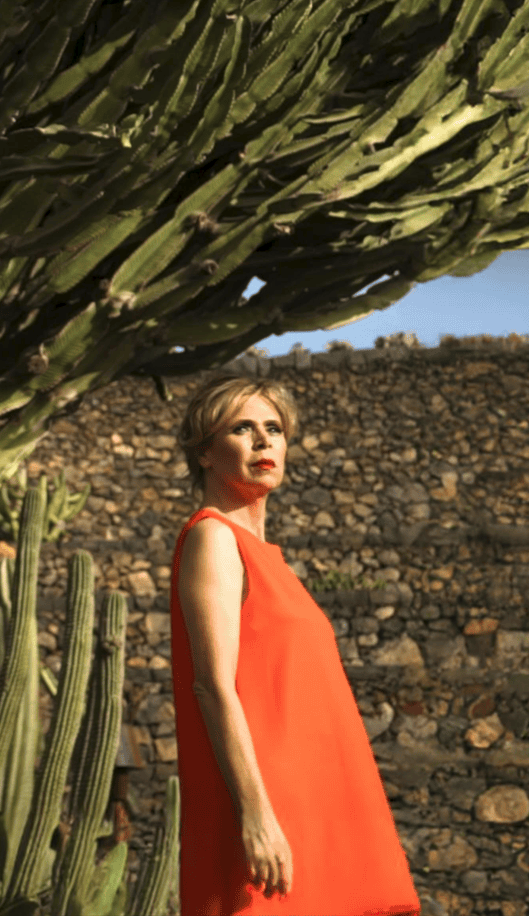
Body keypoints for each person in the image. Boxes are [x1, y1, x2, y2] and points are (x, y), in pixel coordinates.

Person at [169, 374, 420, 915]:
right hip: (267, 807)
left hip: (316, 800)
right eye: (242, 428)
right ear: (204, 452)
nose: (264, 440)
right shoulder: (214, 538)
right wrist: (257, 815)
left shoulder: (269, 559)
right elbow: (212, 687)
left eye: (274, 429)